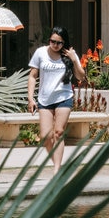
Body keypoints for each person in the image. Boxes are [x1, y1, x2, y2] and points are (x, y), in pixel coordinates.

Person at [27, 26, 85, 173]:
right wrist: (30, 98)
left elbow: (80, 76)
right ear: (49, 40)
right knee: (45, 136)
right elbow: (33, 76)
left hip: (63, 97)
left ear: (64, 43)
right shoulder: (40, 53)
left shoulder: (69, 54)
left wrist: (74, 60)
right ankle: (58, 165)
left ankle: (57, 169)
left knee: (58, 132)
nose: (55, 45)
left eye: (59, 43)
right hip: (45, 99)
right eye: (53, 41)